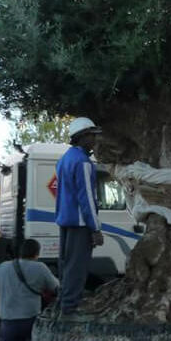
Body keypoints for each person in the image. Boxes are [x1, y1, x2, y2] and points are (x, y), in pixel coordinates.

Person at [55, 117, 105, 315]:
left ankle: (63, 303)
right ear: (82, 137)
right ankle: (70, 307)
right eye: (92, 135)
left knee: (66, 266)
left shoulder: (64, 159)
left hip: (65, 221)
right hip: (80, 223)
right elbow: (87, 198)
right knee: (77, 267)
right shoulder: (83, 162)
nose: (94, 139)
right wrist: (96, 228)